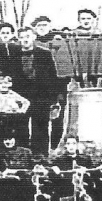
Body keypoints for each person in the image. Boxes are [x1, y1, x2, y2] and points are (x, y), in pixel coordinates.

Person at [12, 26, 64, 154]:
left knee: (41, 127)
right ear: (18, 39)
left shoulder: (44, 54)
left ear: (34, 37)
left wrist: (53, 99)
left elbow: (53, 77)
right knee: (20, 127)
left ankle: (40, 157)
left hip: (41, 97)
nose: (25, 40)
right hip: (21, 98)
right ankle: (22, 156)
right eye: (22, 37)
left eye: (28, 36)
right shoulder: (13, 56)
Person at [0, 74, 31, 149]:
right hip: (1, 117)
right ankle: (0, 148)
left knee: (15, 132)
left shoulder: (13, 95)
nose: (3, 85)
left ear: (10, 84)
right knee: (0, 133)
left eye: (6, 83)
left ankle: (16, 147)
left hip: (13, 117)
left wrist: (21, 111)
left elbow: (26, 102)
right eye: (1, 83)